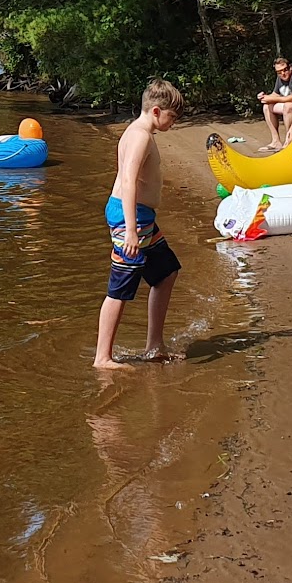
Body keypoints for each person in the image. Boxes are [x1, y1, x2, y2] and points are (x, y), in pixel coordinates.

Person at [93, 79, 185, 370]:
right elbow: (129, 180)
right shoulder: (140, 136)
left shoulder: (141, 131)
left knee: (167, 272)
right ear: (156, 111)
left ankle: (154, 346)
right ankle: (102, 358)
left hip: (142, 218)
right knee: (120, 287)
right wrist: (131, 230)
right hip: (129, 218)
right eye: (172, 116)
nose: (174, 122)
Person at [256, 57, 292, 150]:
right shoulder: (280, 77)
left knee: (287, 106)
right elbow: (275, 94)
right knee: (266, 106)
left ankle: (289, 141)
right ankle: (275, 142)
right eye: (279, 72)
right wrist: (265, 97)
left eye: (285, 70)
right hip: (289, 103)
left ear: (290, 67)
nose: (282, 73)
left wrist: (272, 99)